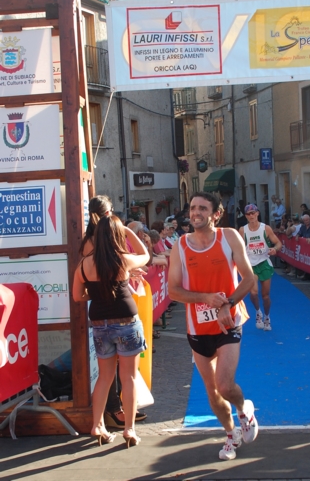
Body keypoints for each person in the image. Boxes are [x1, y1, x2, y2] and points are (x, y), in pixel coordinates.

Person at [168, 192, 258, 461]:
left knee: (225, 385)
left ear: (216, 214)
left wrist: (225, 304)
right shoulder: (180, 246)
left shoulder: (229, 236)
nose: (195, 213)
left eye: (202, 209)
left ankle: (244, 409)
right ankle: (231, 434)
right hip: (197, 329)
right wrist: (205, 299)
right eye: (193, 208)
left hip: (229, 321)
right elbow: (173, 291)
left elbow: (249, 278)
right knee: (212, 391)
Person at [73, 215, 150, 447]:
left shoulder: (84, 264)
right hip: (126, 322)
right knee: (129, 377)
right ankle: (129, 429)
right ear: (116, 236)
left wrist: (97, 294)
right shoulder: (123, 259)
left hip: (100, 325)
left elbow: (78, 297)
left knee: (105, 378)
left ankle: (97, 425)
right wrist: (128, 231)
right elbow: (146, 255)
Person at [239, 204, 282, 331]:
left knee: (265, 296)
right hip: (250, 264)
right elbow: (239, 248)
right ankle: (258, 312)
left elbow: (278, 243)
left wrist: (274, 249)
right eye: (248, 214)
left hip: (264, 263)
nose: (251, 216)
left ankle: (267, 316)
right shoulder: (243, 230)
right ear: (246, 216)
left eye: (253, 213)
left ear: (257, 213)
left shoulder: (265, 228)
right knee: (253, 292)